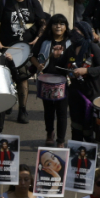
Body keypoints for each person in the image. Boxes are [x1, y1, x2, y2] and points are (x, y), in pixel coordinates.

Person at [0, 0, 48, 123]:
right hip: (6, 47)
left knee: (22, 78)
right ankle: (8, 103)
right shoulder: (4, 3)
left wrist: (37, 37)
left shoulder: (32, 2)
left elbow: (43, 22)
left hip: (25, 49)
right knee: (6, 77)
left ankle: (22, 110)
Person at [61, 21, 100, 143]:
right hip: (76, 93)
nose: (74, 32)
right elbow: (61, 66)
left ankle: (91, 155)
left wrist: (86, 71)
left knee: (89, 127)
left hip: (92, 92)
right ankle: (76, 154)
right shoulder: (71, 49)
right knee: (76, 126)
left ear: (84, 33)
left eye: (77, 30)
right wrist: (56, 55)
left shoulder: (92, 47)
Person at [31, 14, 72, 146]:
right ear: (51, 26)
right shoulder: (44, 40)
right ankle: (50, 133)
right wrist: (38, 65)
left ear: (66, 27)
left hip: (64, 82)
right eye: (55, 23)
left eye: (61, 24)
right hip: (46, 81)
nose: (58, 26)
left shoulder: (71, 41)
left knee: (61, 112)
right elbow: (32, 56)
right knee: (48, 110)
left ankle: (60, 140)